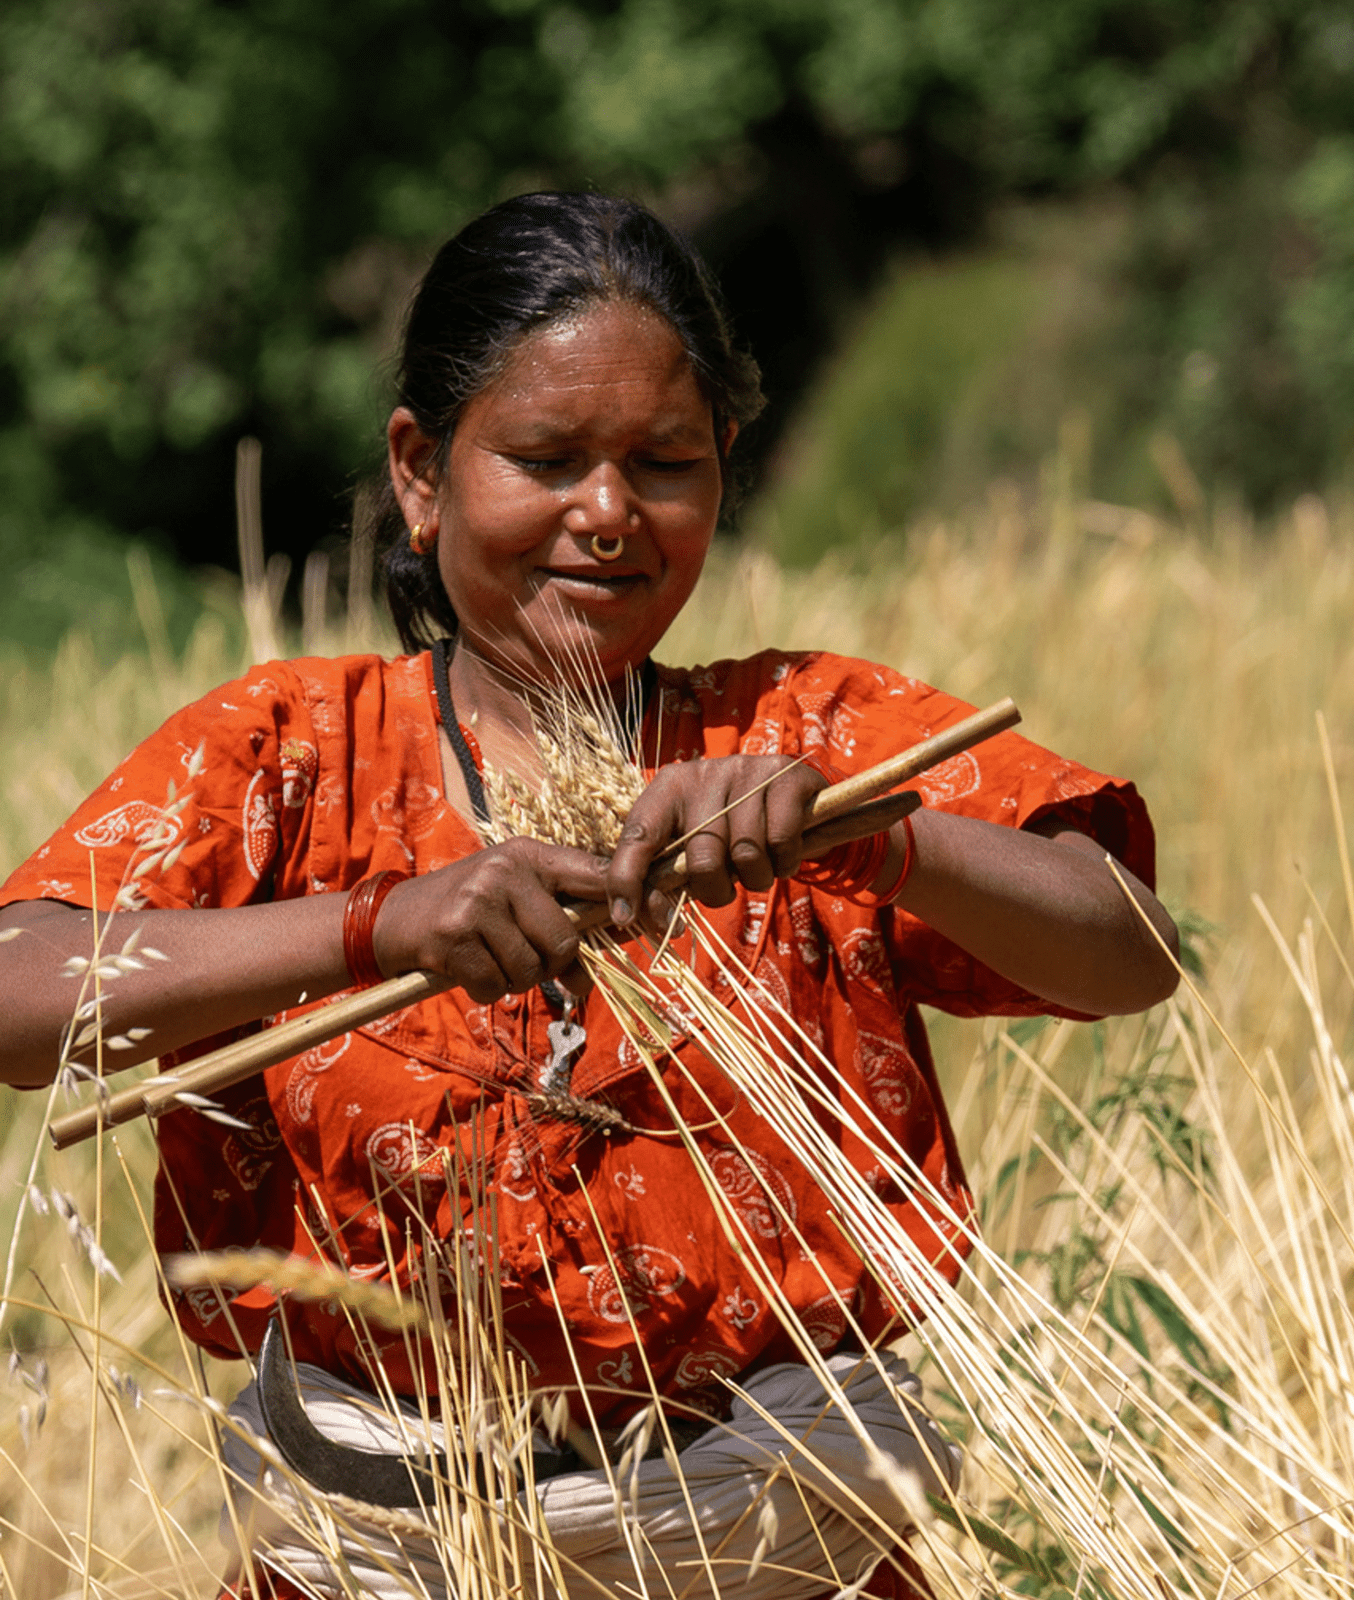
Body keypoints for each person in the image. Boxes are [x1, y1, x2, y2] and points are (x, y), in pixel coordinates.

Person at [0, 193, 1180, 1598]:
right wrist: (378, 927)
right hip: (381, 1564)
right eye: (546, 459)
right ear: (422, 474)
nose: (609, 514)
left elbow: (1129, 953)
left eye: (665, 462)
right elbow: (19, 994)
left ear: (722, 471)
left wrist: (877, 838)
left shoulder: (803, 736)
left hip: (782, 1555)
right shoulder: (295, 755)